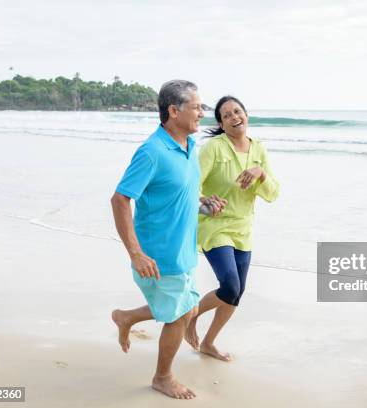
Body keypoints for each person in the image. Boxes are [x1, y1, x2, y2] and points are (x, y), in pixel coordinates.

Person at [110, 80, 225, 400]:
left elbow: (179, 193)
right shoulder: (152, 152)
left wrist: (204, 204)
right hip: (158, 256)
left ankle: (127, 317)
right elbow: (120, 200)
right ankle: (163, 377)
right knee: (179, 315)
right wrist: (136, 253)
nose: (203, 113)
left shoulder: (190, 147)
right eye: (197, 107)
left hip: (184, 250)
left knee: (185, 310)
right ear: (174, 111)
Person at [185, 96, 279, 361]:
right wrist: (205, 200)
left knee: (236, 294)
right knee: (229, 286)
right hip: (215, 226)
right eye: (227, 115)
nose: (234, 117)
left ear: (246, 115)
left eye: (237, 111)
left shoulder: (258, 149)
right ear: (221, 124)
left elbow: (273, 194)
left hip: (243, 228)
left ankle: (208, 343)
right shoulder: (214, 148)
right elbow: (192, 186)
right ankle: (192, 313)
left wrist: (260, 173)